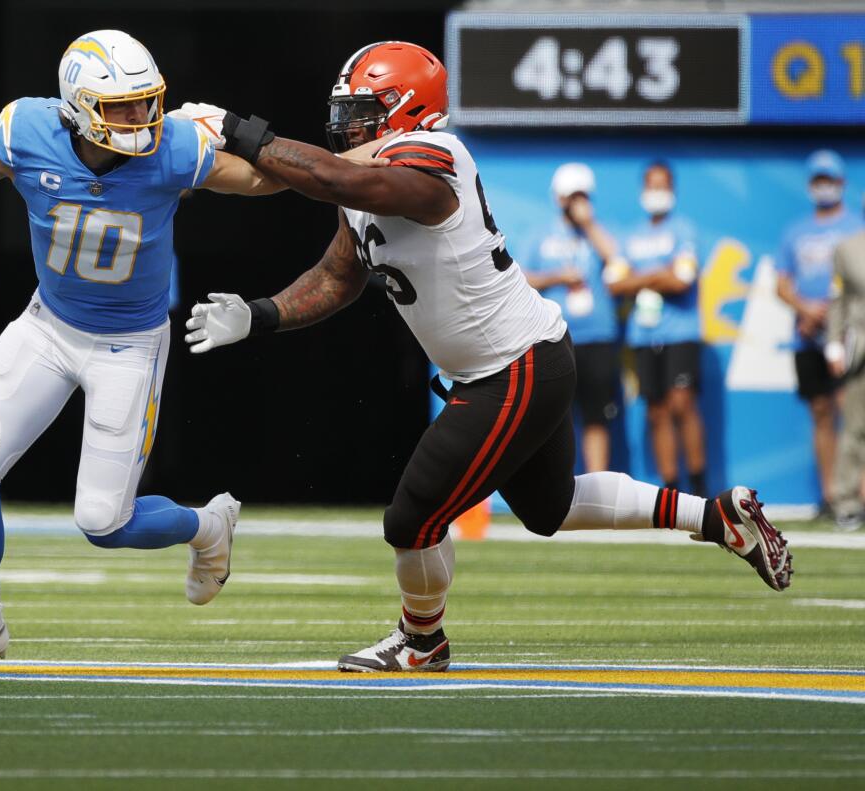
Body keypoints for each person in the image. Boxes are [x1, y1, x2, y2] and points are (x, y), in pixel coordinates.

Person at [177, 41, 793, 673]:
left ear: (409, 110)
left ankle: (422, 641)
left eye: (362, 111)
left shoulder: (437, 156)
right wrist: (261, 313)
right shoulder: (366, 177)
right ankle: (715, 516)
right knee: (549, 507)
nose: (346, 127)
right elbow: (340, 275)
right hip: (516, 361)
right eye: (345, 112)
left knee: (411, 518)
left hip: (513, 367)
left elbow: (341, 178)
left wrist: (238, 130)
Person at [0, 30, 291, 673]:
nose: (142, 119)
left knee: (103, 522)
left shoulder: (174, 147)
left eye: (148, 104)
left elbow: (261, 182)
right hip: (48, 326)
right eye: (125, 108)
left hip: (128, 345)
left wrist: (244, 132)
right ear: (78, 106)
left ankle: (207, 525)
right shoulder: (29, 130)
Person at [608, 162, 707, 496]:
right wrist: (656, 273)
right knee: (657, 411)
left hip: (681, 333)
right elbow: (615, 283)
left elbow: (682, 279)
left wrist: (640, 277)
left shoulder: (685, 230)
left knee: (683, 406)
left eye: (662, 185)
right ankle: (671, 489)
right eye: (651, 185)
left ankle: (698, 486)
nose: (656, 192)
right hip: (643, 335)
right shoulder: (630, 235)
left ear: (673, 190)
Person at [776, 150, 864, 517]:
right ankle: (829, 495)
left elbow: (850, 290)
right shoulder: (796, 231)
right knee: (821, 412)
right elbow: (781, 283)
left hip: (849, 337)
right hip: (807, 334)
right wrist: (806, 310)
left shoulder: (855, 228)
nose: (823, 186)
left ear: (842, 183)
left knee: (854, 412)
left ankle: (857, 495)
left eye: (829, 179)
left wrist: (833, 316)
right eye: (817, 180)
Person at [520, 163, 622, 472]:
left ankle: (599, 486)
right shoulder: (540, 234)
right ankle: (557, 486)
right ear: (559, 197)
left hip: (598, 336)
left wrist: (589, 225)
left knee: (596, 416)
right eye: (570, 196)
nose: (576, 202)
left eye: (581, 196)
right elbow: (521, 278)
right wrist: (558, 277)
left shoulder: (599, 230)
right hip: (554, 337)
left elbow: (616, 259)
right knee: (553, 418)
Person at [828, 210, 865, 530]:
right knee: (854, 427)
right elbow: (838, 299)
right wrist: (834, 343)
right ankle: (848, 501)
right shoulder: (848, 248)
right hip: (861, 347)